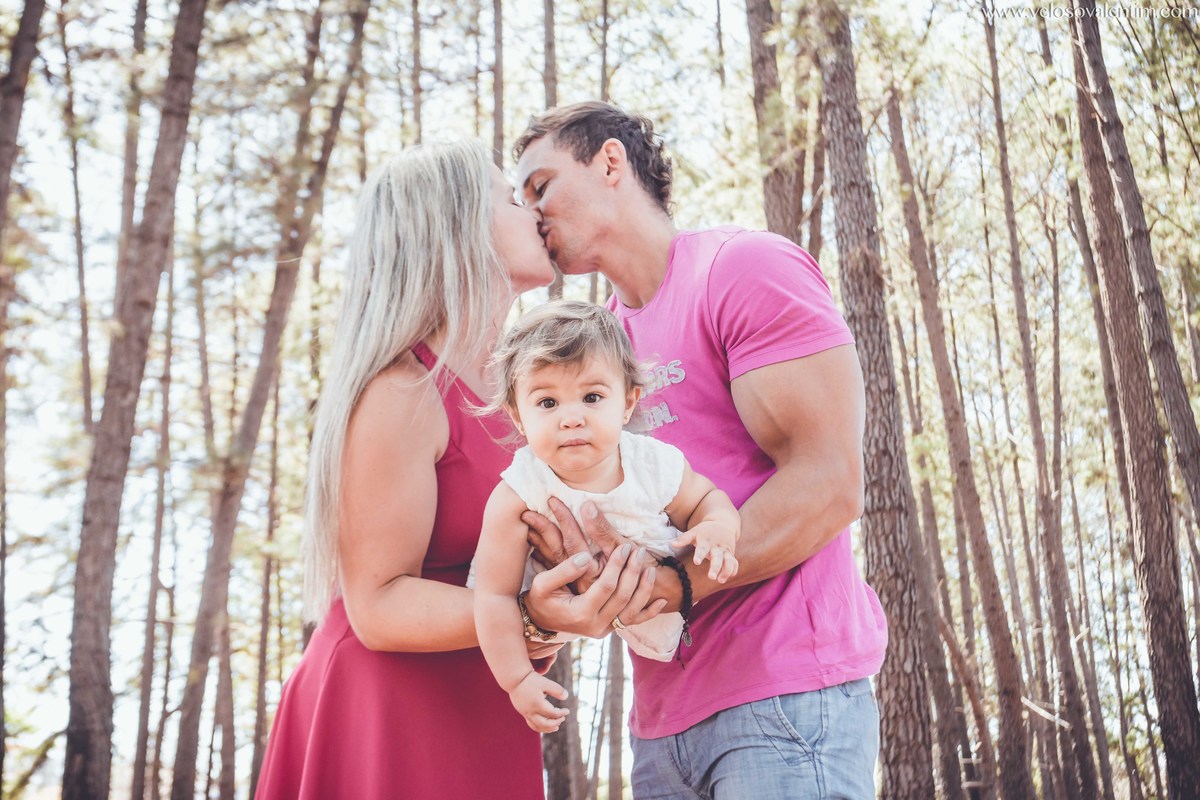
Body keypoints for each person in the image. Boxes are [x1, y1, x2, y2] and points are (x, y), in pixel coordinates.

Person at [511, 102, 888, 798]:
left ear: (611, 162)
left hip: (784, 702)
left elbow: (830, 483)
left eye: (541, 186)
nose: (532, 214)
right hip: (659, 731)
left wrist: (673, 583)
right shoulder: (593, 356)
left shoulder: (742, 268)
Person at [253, 141, 641, 799]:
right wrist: (526, 614)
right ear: (459, 228)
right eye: (511, 199)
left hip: (480, 697)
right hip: (388, 709)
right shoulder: (402, 390)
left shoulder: (520, 401)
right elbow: (377, 605)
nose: (535, 212)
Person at [471, 300, 741, 731]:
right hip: (559, 618)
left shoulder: (651, 463)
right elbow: (493, 596)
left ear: (628, 403)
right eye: (547, 402)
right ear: (518, 416)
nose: (571, 418)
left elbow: (706, 499)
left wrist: (717, 526)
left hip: (680, 613)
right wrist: (518, 678)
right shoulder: (518, 492)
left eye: (592, 397)